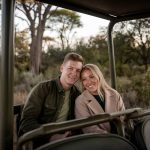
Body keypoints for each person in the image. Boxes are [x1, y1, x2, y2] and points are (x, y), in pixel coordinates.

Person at [18, 52, 84, 147]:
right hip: (40, 142)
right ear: (62, 68)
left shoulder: (77, 94)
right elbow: (27, 122)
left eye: (78, 70)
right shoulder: (43, 89)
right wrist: (51, 137)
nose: (74, 73)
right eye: (70, 68)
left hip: (65, 141)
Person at [75, 64, 125, 134]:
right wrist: (112, 139)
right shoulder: (80, 101)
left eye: (92, 77)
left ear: (99, 76)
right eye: (84, 79)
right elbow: (89, 129)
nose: (88, 82)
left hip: (122, 137)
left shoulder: (114, 94)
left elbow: (124, 118)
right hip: (100, 141)